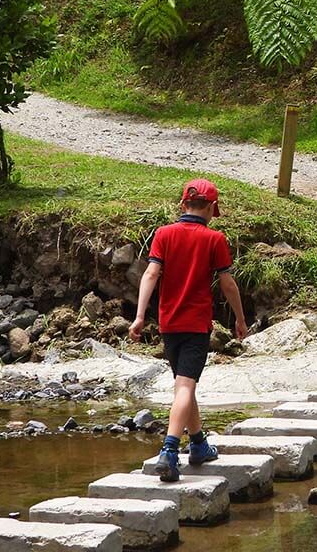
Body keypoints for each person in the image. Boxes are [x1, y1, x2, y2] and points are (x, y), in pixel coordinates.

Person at [128, 178, 248, 482]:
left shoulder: (164, 234)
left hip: (169, 324)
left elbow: (151, 273)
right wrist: (240, 318)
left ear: (183, 205)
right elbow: (227, 284)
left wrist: (140, 315)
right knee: (184, 387)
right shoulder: (214, 239)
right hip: (195, 325)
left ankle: (198, 444)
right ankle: (169, 450)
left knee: (185, 384)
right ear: (210, 208)